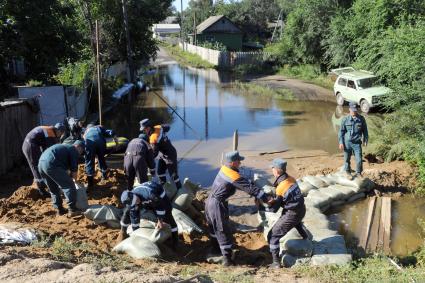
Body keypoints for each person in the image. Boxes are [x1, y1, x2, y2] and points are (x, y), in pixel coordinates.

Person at [205, 151, 270, 266]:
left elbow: (241, 181)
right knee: (222, 229)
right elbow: (248, 188)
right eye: (239, 161)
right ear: (233, 162)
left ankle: (215, 249)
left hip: (211, 201)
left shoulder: (225, 169)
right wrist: (265, 197)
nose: (240, 163)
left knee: (214, 228)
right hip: (216, 205)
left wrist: (250, 183)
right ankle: (227, 260)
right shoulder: (232, 175)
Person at [266, 158, 310, 268]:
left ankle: (276, 263)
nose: (272, 170)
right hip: (301, 209)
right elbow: (288, 197)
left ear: (276, 171)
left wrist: (263, 206)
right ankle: (306, 238)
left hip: (292, 213)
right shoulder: (291, 179)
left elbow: (274, 209)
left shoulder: (281, 187)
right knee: (297, 222)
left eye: (272, 168)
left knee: (272, 235)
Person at [116, 181, 179, 248]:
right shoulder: (132, 203)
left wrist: (160, 220)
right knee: (128, 211)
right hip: (147, 200)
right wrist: (135, 232)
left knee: (168, 216)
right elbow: (134, 217)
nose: (136, 202)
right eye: (134, 202)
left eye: (136, 200)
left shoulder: (150, 194)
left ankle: (175, 241)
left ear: (134, 195)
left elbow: (160, 206)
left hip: (160, 198)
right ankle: (122, 231)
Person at [38, 140, 85, 216]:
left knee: (53, 188)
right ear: (78, 147)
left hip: (41, 164)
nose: (80, 154)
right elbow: (74, 168)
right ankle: (72, 209)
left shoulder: (64, 148)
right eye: (82, 150)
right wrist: (74, 181)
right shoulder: (73, 149)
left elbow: (64, 170)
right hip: (51, 163)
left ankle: (59, 210)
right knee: (69, 185)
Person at [22, 123, 65, 197]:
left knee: (39, 165)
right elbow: (50, 152)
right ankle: (42, 191)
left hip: (30, 144)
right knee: (36, 166)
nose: (59, 136)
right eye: (60, 134)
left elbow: (44, 149)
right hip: (30, 146)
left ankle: (42, 185)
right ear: (59, 131)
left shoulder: (48, 129)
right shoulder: (50, 133)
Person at [139, 118, 181, 189]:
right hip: (163, 154)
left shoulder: (153, 138)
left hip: (170, 155)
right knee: (160, 172)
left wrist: (146, 161)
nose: (143, 131)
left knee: (174, 175)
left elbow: (154, 153)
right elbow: (168, 127)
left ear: (148, 128)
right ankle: (163, 188)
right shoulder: (158, 127)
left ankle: (180, 190)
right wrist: (162, 126)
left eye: (144, 129)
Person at [338, 102, 368, 179]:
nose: (354, 112)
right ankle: (348, 172)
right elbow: (341, 131)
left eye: (355, 110)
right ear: (349, 109)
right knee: (347, 159)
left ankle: (358, 173)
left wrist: (365, 139)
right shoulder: (345, 119)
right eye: (352, 110)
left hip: (357, 143)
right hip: (347, 143)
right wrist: (341, 142)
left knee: (359, 159)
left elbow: (365, 131)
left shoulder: (361, 119)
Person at [83, 124, 116, 189]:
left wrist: (88, 155)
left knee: (89, 161)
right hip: (100, 142)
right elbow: (110, 132)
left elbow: (84, 142)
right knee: (101, 158)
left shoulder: (85, 132)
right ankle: (104, 177)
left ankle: (90, 183)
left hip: (89, 143)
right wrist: (115, 138)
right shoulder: (99, 127)